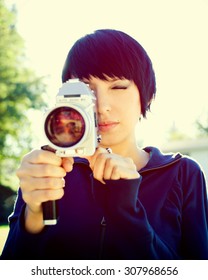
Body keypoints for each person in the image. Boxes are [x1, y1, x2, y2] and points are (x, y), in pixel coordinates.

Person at [1, 29, 208, 260]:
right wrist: (33, 216)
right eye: (85, 91)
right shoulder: (47, 172)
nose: (101, 106)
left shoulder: (182, 174)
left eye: (118, 87)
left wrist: (127, 210)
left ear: (146, 95)